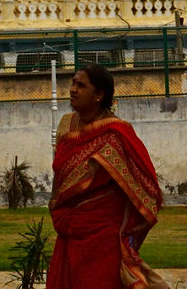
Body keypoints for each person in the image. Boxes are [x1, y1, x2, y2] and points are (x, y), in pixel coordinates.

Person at [47, 65, 169, 289]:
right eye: (73, 83)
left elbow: (146, 188)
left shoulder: (116, 133)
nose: (73, 89)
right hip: (67, 231)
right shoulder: (66, 125)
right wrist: (56, 207)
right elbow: (59, 176)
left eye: (81, 85)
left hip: (103, 240)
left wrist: (137, 229)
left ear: (98, 95)